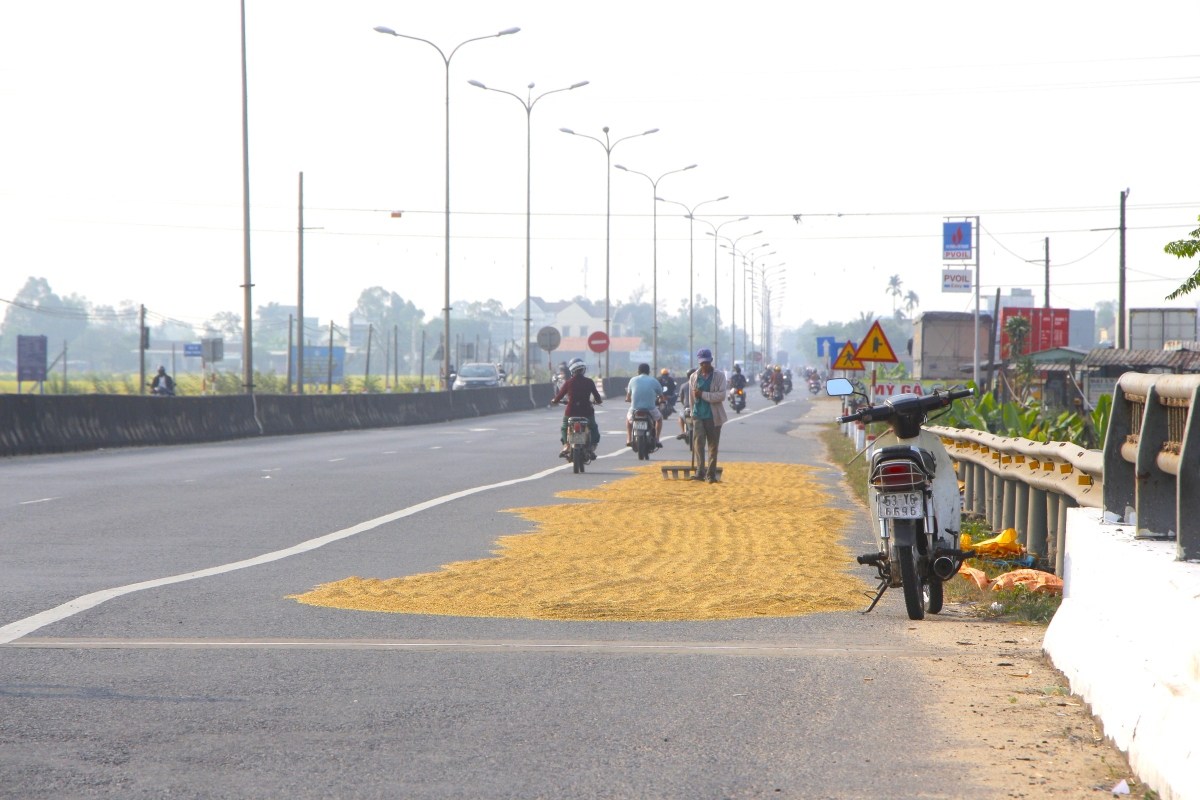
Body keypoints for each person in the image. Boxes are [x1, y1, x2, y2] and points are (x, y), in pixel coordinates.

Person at [687, 348, 727, 483]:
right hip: (698, 414)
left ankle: (710, 474)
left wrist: (703, 394)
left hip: (713, 415)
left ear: (711, 361)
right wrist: (692, 413)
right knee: (698, 444)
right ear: (699, 363)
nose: (705, 366)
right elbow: (692, 397)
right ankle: (700, 472)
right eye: (702, 363)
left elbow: (721, 396)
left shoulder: (719, 376)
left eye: (707, 363)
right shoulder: (694, 377)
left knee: (713, 446)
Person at [551, 358, 602, 457]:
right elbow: (597, 397)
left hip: (571, 411)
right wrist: (597, 402)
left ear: (572, 371)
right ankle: (591, 448)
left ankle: (566, 446)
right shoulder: (589, 382)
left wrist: (554, 401)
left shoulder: (569, 382)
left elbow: (559, 396)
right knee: (593, 428)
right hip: (586, 412)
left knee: (565, 427)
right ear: (583, 370)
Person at [625, 362, 664, 447]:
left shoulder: (632, 380)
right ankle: (657, 439)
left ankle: (629, 439)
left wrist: (629, 400)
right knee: (659, 419)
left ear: (638, 372)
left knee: (628, 419)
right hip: (650, 409)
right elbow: (661, 396)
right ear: (648, 372)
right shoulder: (654, 381)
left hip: (635, 409)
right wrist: (661, 401)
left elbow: (628, 398)